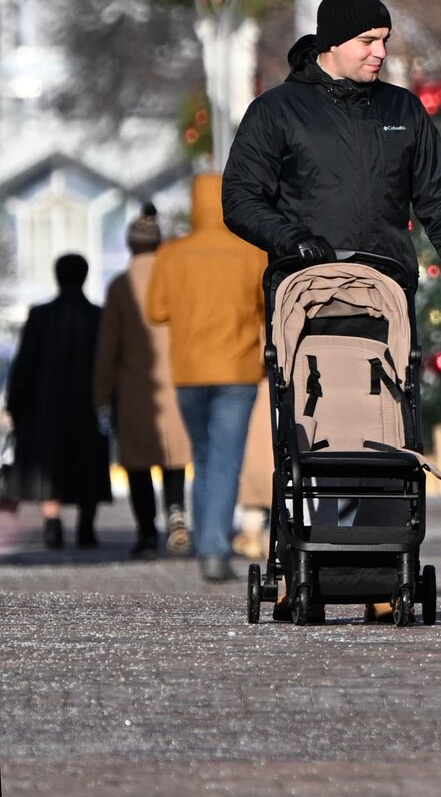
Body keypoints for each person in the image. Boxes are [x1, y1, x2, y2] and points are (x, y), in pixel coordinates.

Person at [220, 0, 441, 619]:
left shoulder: (403, 111)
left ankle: (381, 562)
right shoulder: (277, 112)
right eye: (369, 42)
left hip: (385, 300)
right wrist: (292, 240)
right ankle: (299, 559)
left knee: (383, 430)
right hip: (306, 299)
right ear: (333, 43)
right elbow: (241, 199)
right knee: (308, 433)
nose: (381, 54)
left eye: (385, 42)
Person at [146, 174, 266, 582]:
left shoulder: (172, 254)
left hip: (190, 371)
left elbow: (156, 311)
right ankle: (214, 549)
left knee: (203, 458)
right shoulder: (252, 252)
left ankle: (207, 545)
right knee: (225, 461)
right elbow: (269, 305)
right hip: (238, 369)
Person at [94, 204, 193, 559]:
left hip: (135, 386)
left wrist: (101, 392)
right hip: (179, 379)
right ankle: (177, 512)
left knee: (137, 462)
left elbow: (108, 345)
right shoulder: (178, 277)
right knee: (175, 454)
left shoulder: (120, 286)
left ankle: (147, 532)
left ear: (130, 245)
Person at [3, 254, 112, 547]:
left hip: (44, 406)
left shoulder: (41, 315)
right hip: (88, 405)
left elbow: (24, 363)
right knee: (87, 463)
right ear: (85, 276)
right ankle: (86, 527)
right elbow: (109, 363)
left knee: (49, 464)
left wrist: (15, 403)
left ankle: (52, 523)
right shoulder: (98, 316)